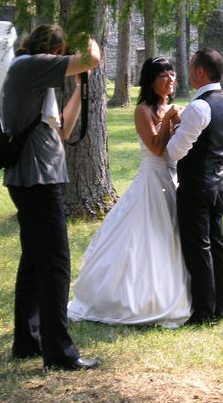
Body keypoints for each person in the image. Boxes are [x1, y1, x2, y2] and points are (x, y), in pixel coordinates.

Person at [1, 24, 101, 370]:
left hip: (38, 178)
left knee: (34, 262)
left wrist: (77, 87)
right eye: (63, 55)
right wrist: (84, 27)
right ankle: (59, 354)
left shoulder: (33, 78)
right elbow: (93, 57)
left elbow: (64, 131)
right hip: (37, 180)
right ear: (53, 52)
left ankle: (27, 342)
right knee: (56, 265)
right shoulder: (30, 66)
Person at [67, 57, 192, 328]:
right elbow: (157, 149)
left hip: (172, 178)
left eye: (172, 74)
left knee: (173, 235)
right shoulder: (143, 110)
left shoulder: (175, 107)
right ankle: (134, 297)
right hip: (151, 178)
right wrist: (169, 119)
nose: (170, 80)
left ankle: (178, 291)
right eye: (163, 76)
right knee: (144, 235)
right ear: (150, 81)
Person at [166, 48, 223, 326]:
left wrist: (173, 127)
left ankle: (203, 312)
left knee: (199, 248)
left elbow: (175, 152)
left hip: (196, 186)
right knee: (217, 245)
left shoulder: (199, 107)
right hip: (218, 185)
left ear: (199, 72)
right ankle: (220, 305)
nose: (187, 72)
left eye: (190, 67)